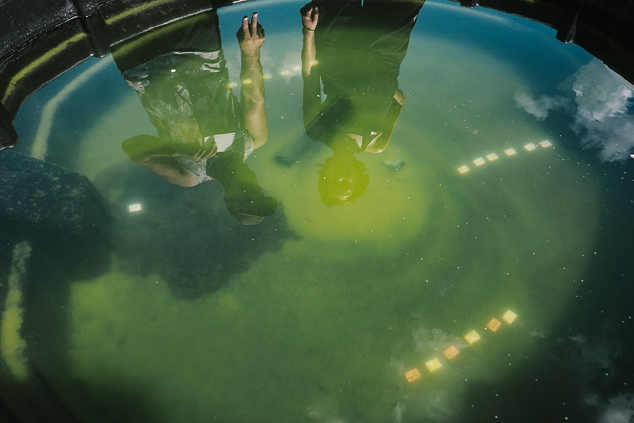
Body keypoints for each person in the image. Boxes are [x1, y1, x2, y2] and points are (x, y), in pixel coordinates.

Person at [113, 11, 276, 224]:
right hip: (200, 52)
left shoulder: (189, 176)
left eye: (246, 199)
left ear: (228, 198)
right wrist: (250, 52)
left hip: (143, 68)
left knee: (115, 11)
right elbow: (254, 100)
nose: (251, 190)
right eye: (258, 193)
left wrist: (176, 150)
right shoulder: (254, 140)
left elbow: (131, 148)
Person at [300, 0, 424, 205]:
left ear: (325, 176)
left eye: (333, 182)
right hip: (387, 48)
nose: (341, 178)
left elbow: (310, 76)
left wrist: (308, 32)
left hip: (337, 43)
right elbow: (399, 102)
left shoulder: (317, 131)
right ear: (357, 178)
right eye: (347, 184)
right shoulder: (377, 144)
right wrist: (384, 87)